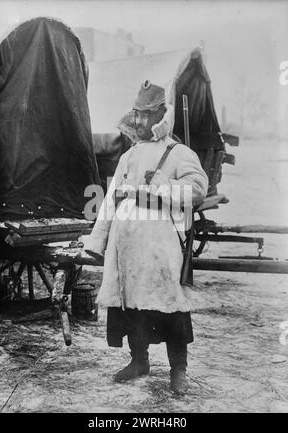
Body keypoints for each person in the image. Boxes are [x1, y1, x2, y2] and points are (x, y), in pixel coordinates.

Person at [85, 80, 208, 395]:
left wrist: (162, 185)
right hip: (126, 249)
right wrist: (98, 242)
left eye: (145, 115)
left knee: (170, 308)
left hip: (159, 248)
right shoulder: (129, 156)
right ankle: (139, 360)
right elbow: (111, 199)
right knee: (132, 308)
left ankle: (178, 371)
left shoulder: (178, 153)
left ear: (160, 116)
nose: (138, 121)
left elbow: (197, 189)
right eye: (135, 114)